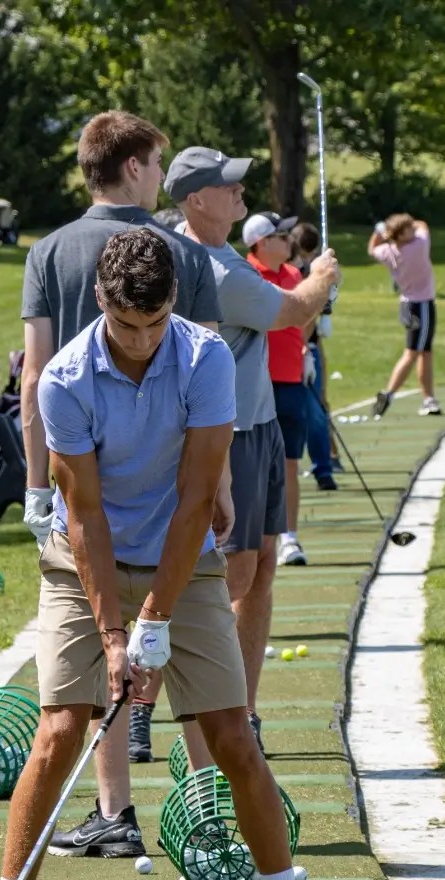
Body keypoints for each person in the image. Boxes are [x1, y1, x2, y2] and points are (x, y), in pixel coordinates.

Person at [0, 229, 328, 880]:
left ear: (173, 304)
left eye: (156, 321)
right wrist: (114, 632)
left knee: (234, 734)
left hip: (185, 554)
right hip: (85, 566)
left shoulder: (203, 359)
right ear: (101, 303)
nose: (141, 340)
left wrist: (157, 620)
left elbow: (200, 497)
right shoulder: (64, 380)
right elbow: (86, 518)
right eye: (127, 324)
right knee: (60, 730)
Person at [19, 110, 225, 853]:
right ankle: (206, 814)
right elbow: (206, 382)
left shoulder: (46, 251)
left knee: (107, 663)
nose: (162, 173)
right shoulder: (183, 252)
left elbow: (32, 371)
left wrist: (37, 487)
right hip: (171, 488)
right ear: (134, 166)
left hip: (81, 478)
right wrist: (221, 486)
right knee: (184, 657)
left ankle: (115, 814)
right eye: (159, 161)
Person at [166, 146, 340, 752]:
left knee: (262, 570)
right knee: (233, 579)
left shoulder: (218, 256)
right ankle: (219, 718)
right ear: (196, 200)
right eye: (229, 185)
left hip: (259, 426)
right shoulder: (215, 270)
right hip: (230, 435)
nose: (242, 193)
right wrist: (322, 279)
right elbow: (290, 311)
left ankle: (245, 712)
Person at [243, 211, 312, 566]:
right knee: (253, 466)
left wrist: (306, 351)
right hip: (257, 385)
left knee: (289, 463)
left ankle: (290, 537)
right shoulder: (247, 275)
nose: (289, 241)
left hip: (291, 380)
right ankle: (252, 536)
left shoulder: (294, 274)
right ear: (261, 242)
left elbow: (305, 319)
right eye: (281, 237)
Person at [368, 213, 441, 418]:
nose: (412, 229)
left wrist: (380, 232)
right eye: (407, 228)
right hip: (422, 306)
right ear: (401, 235)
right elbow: (423, 224)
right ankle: (388, 394)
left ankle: (429, 399)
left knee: (425, 352)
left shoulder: (388, 251)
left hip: (407, 306)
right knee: (413, 353)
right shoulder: (418, 246)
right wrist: (402, 226)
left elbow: (372, 248)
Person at [290, 221, 341, 484]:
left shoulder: (312, 272)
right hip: (289, 349)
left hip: (308, 347)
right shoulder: (290, 273)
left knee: (315, 409)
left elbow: (310, 316)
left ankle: (325, 467)